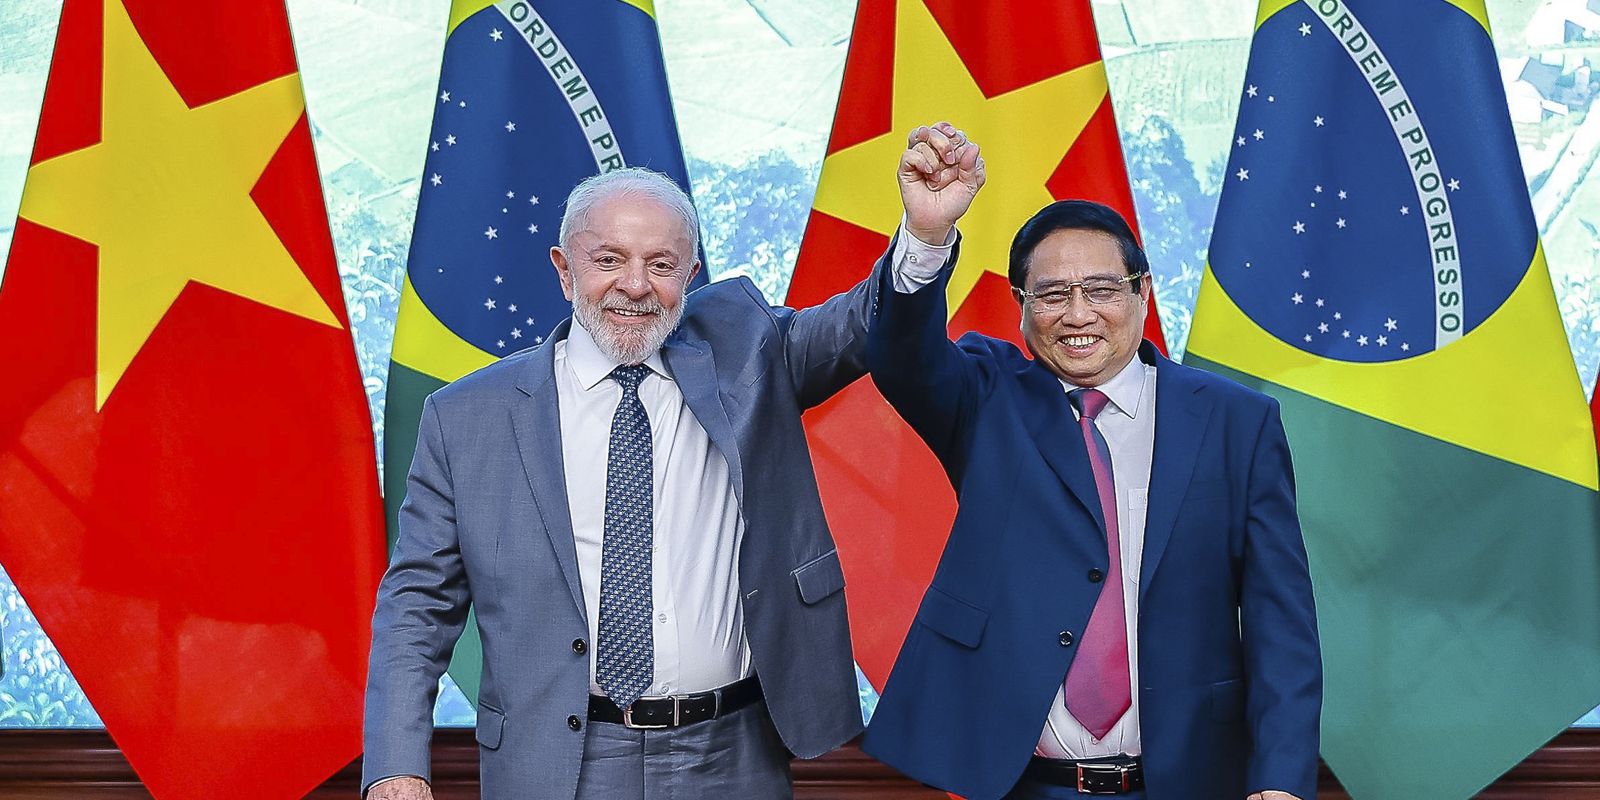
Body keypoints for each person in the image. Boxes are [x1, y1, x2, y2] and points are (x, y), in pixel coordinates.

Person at [361, 166, 892, 799]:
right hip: (558, 761)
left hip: (733, 754)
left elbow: (859, 325)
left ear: (690, 275)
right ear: (564, 270)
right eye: (609, 260)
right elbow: (417, 604)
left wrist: (923, 236)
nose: (635, 286)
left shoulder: (748, 356)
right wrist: (395, 765)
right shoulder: (466, 417)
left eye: (661, 264)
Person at [860, 123, 1322, 800]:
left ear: (1142, 292)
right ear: (1021, 307)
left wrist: (1280, 781)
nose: (1078, 315)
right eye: (1052, 294)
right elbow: (904, 359)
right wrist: (927, 236)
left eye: (1102, 290)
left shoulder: (1235, 423)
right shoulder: (988, 397)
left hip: (1190, 780)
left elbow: (1282, 621)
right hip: (1024, 783)